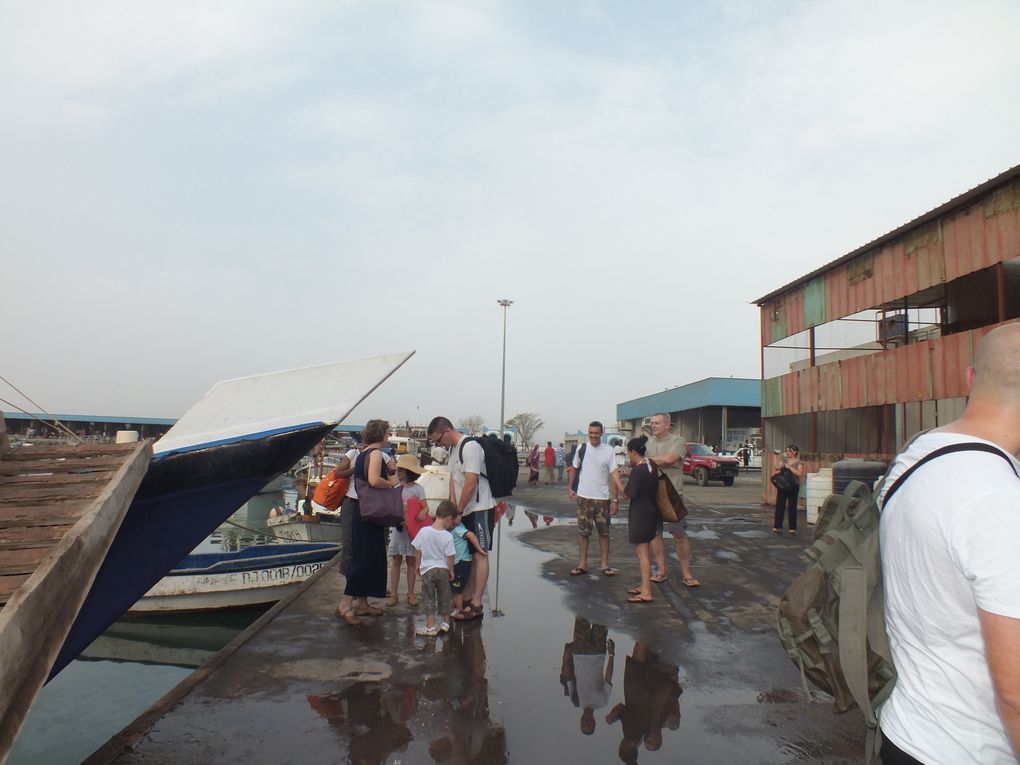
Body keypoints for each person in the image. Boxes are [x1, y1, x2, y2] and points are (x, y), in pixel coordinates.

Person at [878, 323, 1020, 765]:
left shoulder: (918, 456)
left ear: (969, 379)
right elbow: (1015, 692)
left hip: (909, 731)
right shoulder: (997, 500)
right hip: (971, 751)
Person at [427, 416, 495, 621]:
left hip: (480, 508)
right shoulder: (453, 449)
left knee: (480, 554)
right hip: (463, 510)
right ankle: (468, 597)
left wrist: (458, 511)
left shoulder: (470, 447)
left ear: (446, 430)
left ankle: (477, 603)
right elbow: (452, 480)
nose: (438, 444)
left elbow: (470, 483)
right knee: (468, 554)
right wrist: (452, 508)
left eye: (438, 440)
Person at [335, 420, 395, 626]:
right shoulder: (376, 454)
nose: (389, 436)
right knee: (365, 558)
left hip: (363, 510)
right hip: (369, 513)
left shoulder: (363, 454)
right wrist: (392, 483)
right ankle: (345, 604)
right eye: (387, 432)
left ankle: (362, 603)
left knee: (367, 557)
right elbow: (374, 480)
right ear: (381, 434)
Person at [645, 413, 700, 588]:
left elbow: (670, 459)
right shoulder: (649, 443)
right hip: (652, 494)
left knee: (679, 535)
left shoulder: (678, 441)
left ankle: (687, 574)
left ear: (667, 425)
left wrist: (650, 461)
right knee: (655, 534)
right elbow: (642, 462)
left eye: (657, 423)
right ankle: (661, 571)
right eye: (652, 423)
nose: (653, 426)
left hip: (673, 495)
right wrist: (661, 462)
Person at [567, 421, 627, 577]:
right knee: (583, 533)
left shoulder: (608, 451)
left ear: (602, 433)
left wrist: (617, 497)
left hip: (602, 499)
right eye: (591, 432)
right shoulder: (582, 448)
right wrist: (570, 487)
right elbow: (574, 468)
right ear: (588, 433)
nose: (593, 435)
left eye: (596, 433)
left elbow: (614, 474)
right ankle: (583, 564)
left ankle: (605, 565)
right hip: (584, 497)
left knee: (604, 533)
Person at [559, 617, 615, 736]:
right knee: (600, 615)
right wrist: (611, 654)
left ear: (580, 721)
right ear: (594, 722)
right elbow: (608, 679)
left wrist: (565, 657)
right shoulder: (602, 702)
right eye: (589, 724)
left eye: (583, 724)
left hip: (579, 652)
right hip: (598, 652)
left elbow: (569, 677)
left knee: (582, 612)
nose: (586, 722)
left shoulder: (576, 701)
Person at [387, 454, 430, 607]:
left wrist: (422, 512)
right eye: (398, 470)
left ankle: (411, 594)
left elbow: (425, 507)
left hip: (413, 529)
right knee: (396, 560)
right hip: (398, 527)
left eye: (402, 471)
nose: (398, 473)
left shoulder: (418, 489)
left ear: (409, 472)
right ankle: (393, 593)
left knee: (411, 560)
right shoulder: (396, 486)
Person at [412, 499, 457, 637]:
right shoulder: (448, 536)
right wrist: (451, 570)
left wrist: (417, 565)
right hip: (443, 570)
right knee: (445, 596)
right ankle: (446, 623)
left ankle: (431, 626)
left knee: (429, 597)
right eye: (452, 522)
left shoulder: (424, 531)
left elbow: (418, 550)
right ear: (448, 518)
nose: (452, 525)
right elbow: (450, 556)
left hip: (427, 570)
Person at [623, 436, 659, 604]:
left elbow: (630, 493)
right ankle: (644, 585)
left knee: (642, 553)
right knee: (646, 553)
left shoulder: (638, 471)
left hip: (640, 513)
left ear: (634, 452)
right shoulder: (651, 465)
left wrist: (618, 481)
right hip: (652, 511)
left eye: (628, 452)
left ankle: (646, 591)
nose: (628, 456)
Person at [451, 509, 487, 618]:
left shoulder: (457, 527)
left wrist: (479, 548)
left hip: (461, 562)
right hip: (458, 561)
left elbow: (470, 535)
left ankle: (459, 609)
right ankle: (462, 603)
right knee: (457, 587)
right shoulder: (452, 527)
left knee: (457, 588)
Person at [771, 444, 805, 536]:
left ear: (795, 452)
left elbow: (799, 474)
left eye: (789, 451)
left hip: (794, 486)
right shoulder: (784, 461)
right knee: (779, 506)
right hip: (783, 486)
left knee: (792, 507)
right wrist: (775, 456)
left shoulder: (799, 462)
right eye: (787, 451)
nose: (787, 453)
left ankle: (792, 528)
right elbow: (776, 467)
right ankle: (777, 526)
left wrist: (789, 467)